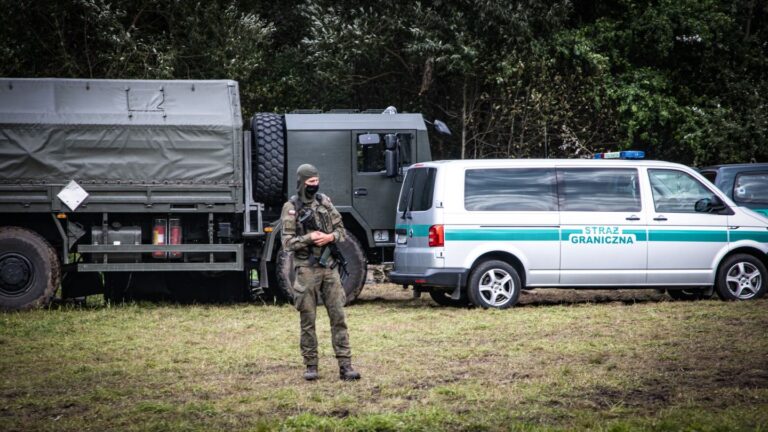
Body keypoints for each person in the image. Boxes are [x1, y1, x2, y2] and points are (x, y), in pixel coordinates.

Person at [280, 164, 361, 381]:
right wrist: (309, 238)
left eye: (317, 181)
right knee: (308, 319)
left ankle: (345, 366)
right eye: (310, 183)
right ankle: (311, 366)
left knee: (338, 316)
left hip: (330, 268)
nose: (315, 186)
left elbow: (341, 230)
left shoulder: (324, 202)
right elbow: (287, 243)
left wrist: (330, 238)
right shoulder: (291, 207)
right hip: (306, 269)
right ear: (302, 182)